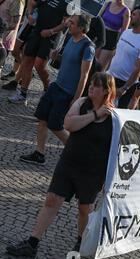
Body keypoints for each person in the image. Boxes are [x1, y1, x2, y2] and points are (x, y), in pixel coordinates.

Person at [5, 72, 116, 257]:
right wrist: (95, 114)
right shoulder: (82, 103)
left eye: (96, 86)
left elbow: (115, 149)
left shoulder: (114, 117)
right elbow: (68, 124)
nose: (91, 87)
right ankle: (32, 244)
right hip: (69, 163)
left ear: (106, 91)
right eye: (91, 84)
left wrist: (108, 177)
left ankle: (81, 243)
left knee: (85, 208)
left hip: (92, 171)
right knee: (51, 200)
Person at [19, 14, 95, 165]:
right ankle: (39, 154)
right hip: (56, 86)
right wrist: (56, 56)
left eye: (72, 23)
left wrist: (76, 99)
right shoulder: (69, 38)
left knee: (55, 125)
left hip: (68, 92)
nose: (68, 24)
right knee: (42, 118)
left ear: (81, 28)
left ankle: (77, 152)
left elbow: (84, 75)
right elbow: (67, 61)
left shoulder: (88, 47)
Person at [8, 0, 69, 104]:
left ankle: (47, 88)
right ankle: (22, 94)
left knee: (39, 65)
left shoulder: (68, 2)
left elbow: (67, 23)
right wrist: (30, 14)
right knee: (27, 62)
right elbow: (31, 3)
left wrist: (51, 31)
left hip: (51, 37)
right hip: (36, 32)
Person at [107, 5, 140, 109]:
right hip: (110, 78)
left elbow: (139, 69)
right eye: (132, 14)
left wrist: (125, 88)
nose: (131, 16)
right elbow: (115, 54)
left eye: (134, 14)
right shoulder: (126, 33)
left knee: (118, 116)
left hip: (124, 85)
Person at [97, 0, 130, 70]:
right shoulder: (108, 4)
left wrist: (119, 47)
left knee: (99, 67)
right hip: (100, 35)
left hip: (111, 40)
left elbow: (124, 31)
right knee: (91, 61)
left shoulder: (126, 11)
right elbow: (97, 18)